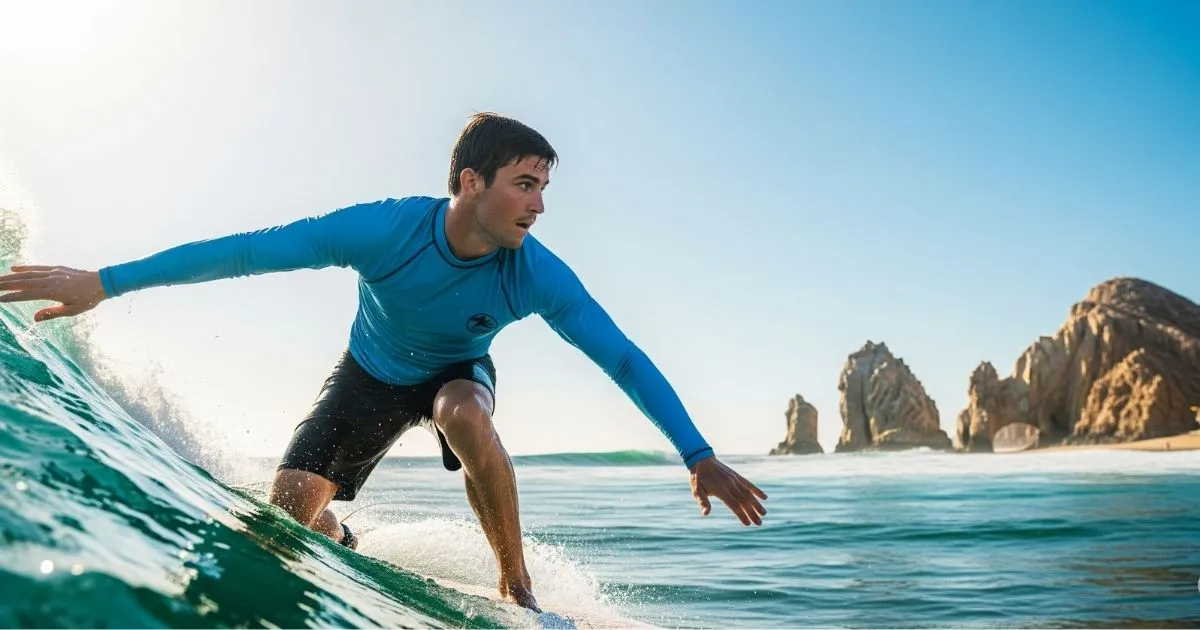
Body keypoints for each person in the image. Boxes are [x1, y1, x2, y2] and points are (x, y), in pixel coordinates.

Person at [0, 112, 768, 612]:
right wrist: (106, 282)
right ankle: (339, 535)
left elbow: (624, 359)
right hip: (368, 373)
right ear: (471, 182)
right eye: (525, 185)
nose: (539, 206)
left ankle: (517, 586)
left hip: (455, 375)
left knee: (463, 412)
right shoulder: (384, 231)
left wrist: (697, 455)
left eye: (543, 188)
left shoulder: (535, 272)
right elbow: (248, 251)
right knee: (289, 511)